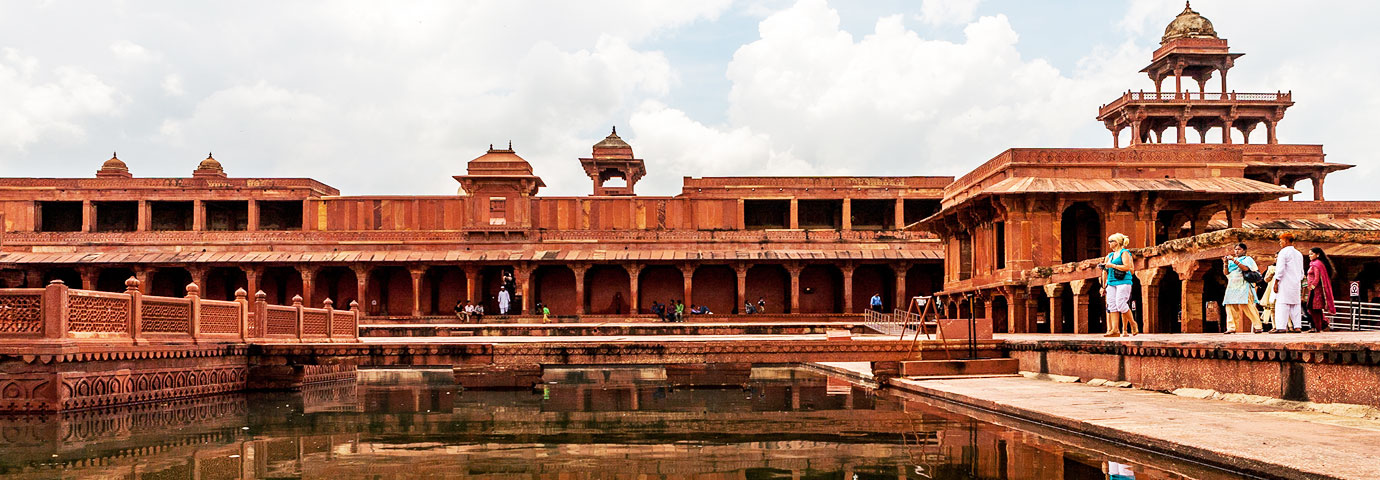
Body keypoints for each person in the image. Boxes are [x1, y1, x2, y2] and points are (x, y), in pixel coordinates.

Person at [1099, 233, 1136, 337]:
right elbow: (1105, 271)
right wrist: (1103, 286)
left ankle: (1132, 324)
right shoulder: (1109, 256)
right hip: (1111, 282)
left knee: (1121, 304)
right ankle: (1115, 330)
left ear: (1117, 242)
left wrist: (1113, 265)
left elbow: (1128, 268)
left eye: (1111, 241)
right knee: (1112, 306)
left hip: (1123, 281)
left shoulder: (1124, 253)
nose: (1109, 243)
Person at [1222, 243, 1263, 334]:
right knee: (1230, 306)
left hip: (1243, 285)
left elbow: (1245, 269)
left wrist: (1234, 260)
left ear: (1244, 250)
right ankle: (1231, 327)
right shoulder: (1232, 261)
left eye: (1239, 249)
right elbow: (1226, 273)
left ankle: (1258, 326)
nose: (1236, 251)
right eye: (1235, 249)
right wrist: (1225, 263)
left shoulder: (1248, 259)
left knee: (1248, 306)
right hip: (1232, 286)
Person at [1268, 233, 1305, 333]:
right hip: (1296, 282)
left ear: (1286, 241)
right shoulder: (1299, 254)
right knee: (1295, 305)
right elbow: (1302, 272)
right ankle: (1297, 326)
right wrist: (1298, 280)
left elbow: (1280, 269)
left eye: (1281, 241)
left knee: (1282, 304)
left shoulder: (1283, 253)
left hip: (1284, 282)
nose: (1280, 243)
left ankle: (1281, 327)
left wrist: (1276, 282)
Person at [1306, 247, 1337, 332]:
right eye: (1309, 254)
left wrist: (1311, 287)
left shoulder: (1316, 264)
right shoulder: (1315, 263)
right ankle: (1322, 325)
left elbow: (1317, 278)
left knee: (1314, 308)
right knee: (1314, 309)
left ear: (1318, 255)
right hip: (1314, 290)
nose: (1310, 256)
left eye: (1311, 254)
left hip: (1316, 290)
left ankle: (1318, 327)